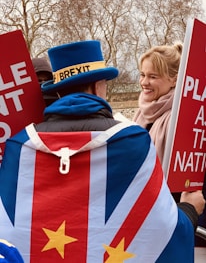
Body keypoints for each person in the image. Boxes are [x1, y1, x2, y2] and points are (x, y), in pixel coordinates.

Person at [0, 40, 205, 262]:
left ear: (58, 91)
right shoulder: (132, 140)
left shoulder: (18, 146)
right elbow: (164, 230)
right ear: (98, 86)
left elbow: (9, 230)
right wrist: (190, 209)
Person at [132, 43, 206, 247]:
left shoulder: (185, 117)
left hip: (178, 216)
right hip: (145, 213)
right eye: (142, 74)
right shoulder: (140, 114)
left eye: (153, 76)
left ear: (174, 79)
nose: (144, 82)